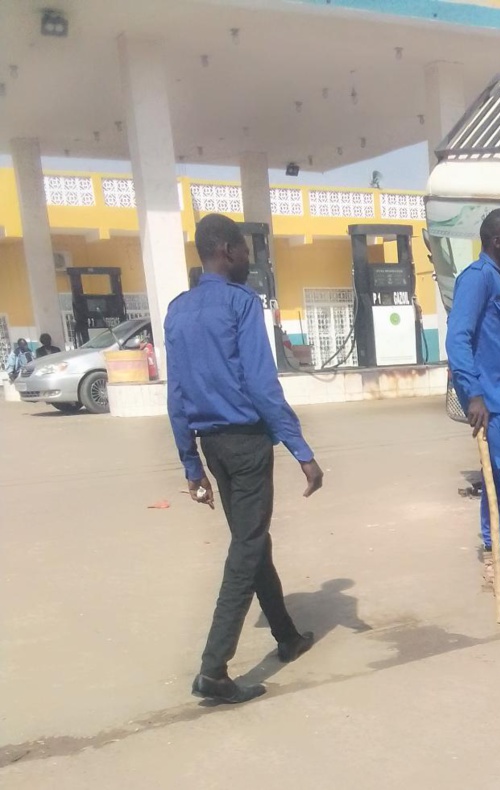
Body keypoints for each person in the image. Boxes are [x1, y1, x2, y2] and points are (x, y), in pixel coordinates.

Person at [165, 213, 324, 705]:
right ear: (228, 251)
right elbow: (261, 384)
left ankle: (287, 636)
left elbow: (175, 395)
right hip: (248, 443)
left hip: (212, 446)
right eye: (246, 248)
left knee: (250, 539)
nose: (251, 258)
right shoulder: (240, 303)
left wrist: (192, 465)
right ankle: (214, 668)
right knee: (247, 547)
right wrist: (302, 451)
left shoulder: (177, 310)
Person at [445, 208, 500, 600]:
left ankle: (496, 560)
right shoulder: (477, 280)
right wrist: (473, 393)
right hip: (492, 403)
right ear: (498, 241)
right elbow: (457, 339)